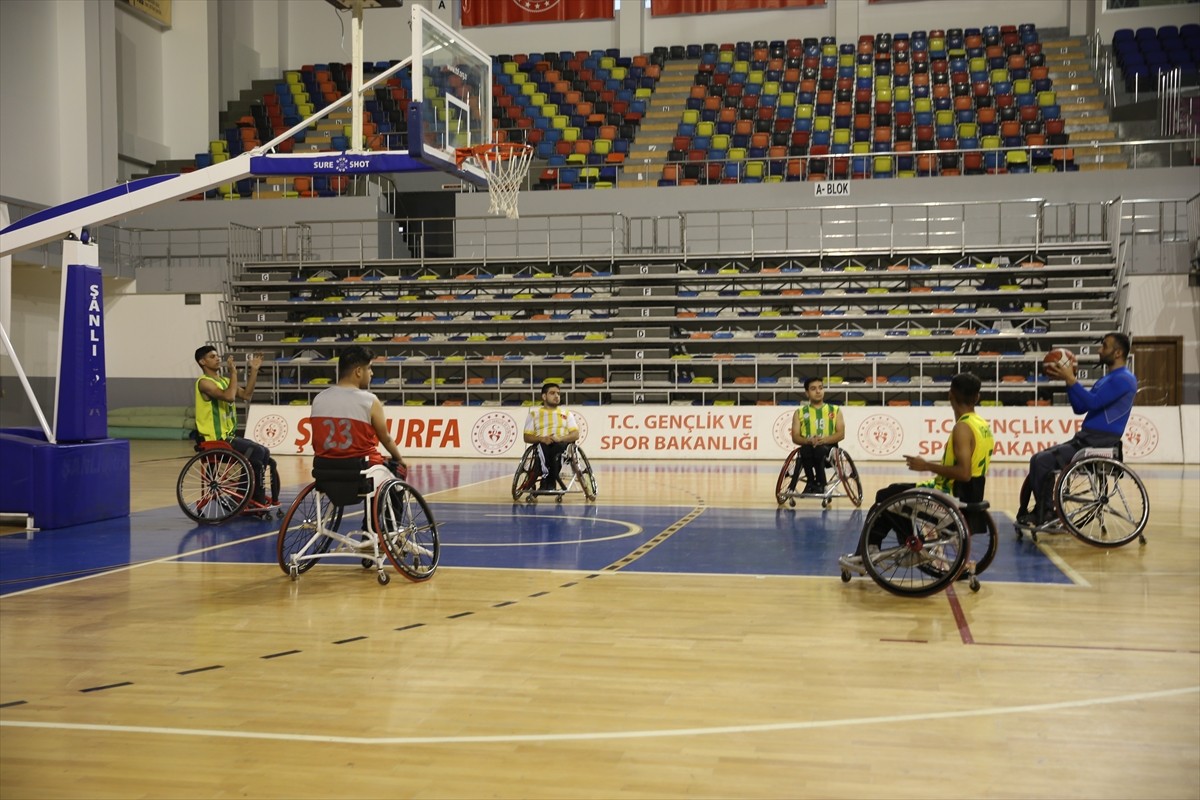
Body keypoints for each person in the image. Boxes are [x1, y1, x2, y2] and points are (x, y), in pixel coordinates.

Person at [839, 372, 993, 569]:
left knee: (888, 496)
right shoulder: (982, 425)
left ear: (950, 395)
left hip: (951, 495)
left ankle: (903, 548)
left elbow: (964, 473)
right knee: (893, 492)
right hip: (971, 494)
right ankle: (870, 550)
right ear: (977, 397)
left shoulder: (963, 428)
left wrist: (926, 465)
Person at [1018, 332, 1137, 527]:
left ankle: (1047, 512)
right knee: (1038, 459)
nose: (1099, 349)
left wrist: (1072, 379)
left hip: (1100, 441)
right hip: (1087, 438)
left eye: (1104, 346)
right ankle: (1040, 510)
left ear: (1117, 353)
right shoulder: (1107, 379)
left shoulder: (1124, 379)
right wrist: (1069, 382)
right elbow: (1080, 408)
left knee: (1042, 461)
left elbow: (1093, 402)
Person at [310, 346, 409, 550]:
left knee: (375, 474)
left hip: (324, 471)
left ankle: (371, 533)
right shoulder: (369, 400)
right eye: (369, 368)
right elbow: (385, 438)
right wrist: (399, 459)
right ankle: (386, 534)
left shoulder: (319, 398)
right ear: (358, 371)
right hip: (361, 472)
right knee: (397, 472)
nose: (371, 373)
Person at [193, 345, 276, 507]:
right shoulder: (204, 383)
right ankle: (246, 497)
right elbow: (229, 397)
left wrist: (254, 371)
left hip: (228, 437)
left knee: (264, 452)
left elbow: (246, 395)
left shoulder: (224, 382)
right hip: (215, 439)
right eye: (212, 357)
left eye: (217, 356)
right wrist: (233, 373)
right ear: (202, 362)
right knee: (257, 452)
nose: (218, 359)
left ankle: (248, 495)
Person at [787, 377, 845, 495]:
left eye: (820, 388)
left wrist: (824, 440)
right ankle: (811, 482)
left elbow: (841, 434)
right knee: (805, 449)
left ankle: (820, 483)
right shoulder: (800, 412)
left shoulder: (835, 410)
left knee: (818, 449)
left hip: (829, 451)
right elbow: (795, 437)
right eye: (813, 389)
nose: (818, 391)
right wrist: (808, 440)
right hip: (808, 450)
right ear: (807, 393)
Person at [523, 382, 579, 492]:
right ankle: (547, 480)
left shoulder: (567, 414)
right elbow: (527, 437)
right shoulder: (534, 414)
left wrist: (560, 438)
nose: (557, 396)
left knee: (557, 448)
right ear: (544, 396)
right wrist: (542, 439)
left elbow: (575, 434)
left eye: (558, 393)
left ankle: (547, 480)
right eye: (552, 393)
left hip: (561, 443)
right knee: (543, 447)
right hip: (542, 443)